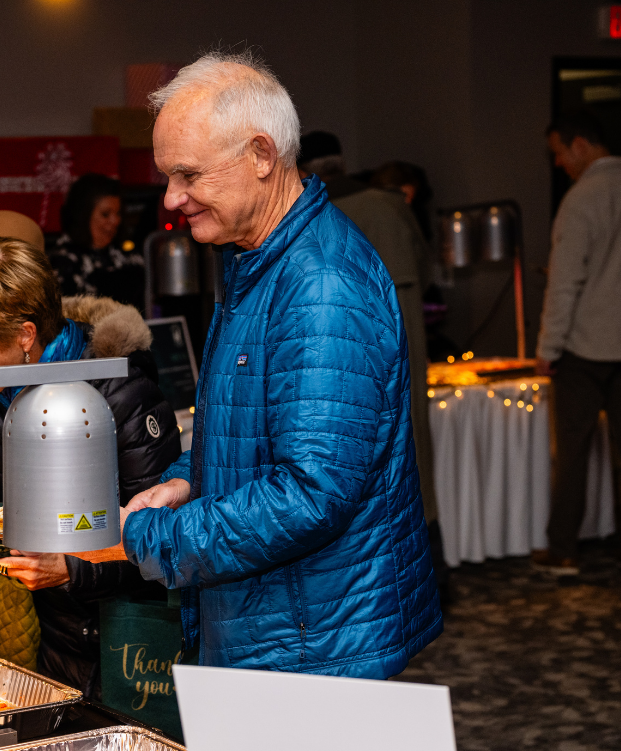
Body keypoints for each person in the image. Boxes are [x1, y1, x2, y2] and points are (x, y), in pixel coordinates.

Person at [121, 51, 441, 677]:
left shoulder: (320, 284)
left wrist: (155, 539)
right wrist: (192, 477)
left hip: (312, 643)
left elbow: (312, 493)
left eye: (188, 175)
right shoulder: (257, 259)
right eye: (167, 177)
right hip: (286, 625)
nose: (172, 197)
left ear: (262, 156)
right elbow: (260, 433)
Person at [0, 237, 180, 695]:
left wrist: (72, 569)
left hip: (121, 645)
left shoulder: (120, 393)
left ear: (24, 335)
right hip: (44, 637)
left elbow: (169, 538)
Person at [297, 132, 439, 565]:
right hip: (408, 342)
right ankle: (434, 563)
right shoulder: (390, 204)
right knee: (413, 441)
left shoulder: (312, 212)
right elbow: (428, 269)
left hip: (344, 353)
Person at [532, 112, 621, 576]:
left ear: (581, 146)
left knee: (571, 453)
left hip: (584, 349)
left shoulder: (582, 198)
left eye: (560, 153)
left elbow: (565, 283)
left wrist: (548, 348)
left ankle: (564, 549)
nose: (560, 163)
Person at [49, 173, 145, 311]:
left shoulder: (127, 254)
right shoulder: (64, 262)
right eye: (105, 214)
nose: (115, 221)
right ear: (83, 216)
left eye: (118, 214)